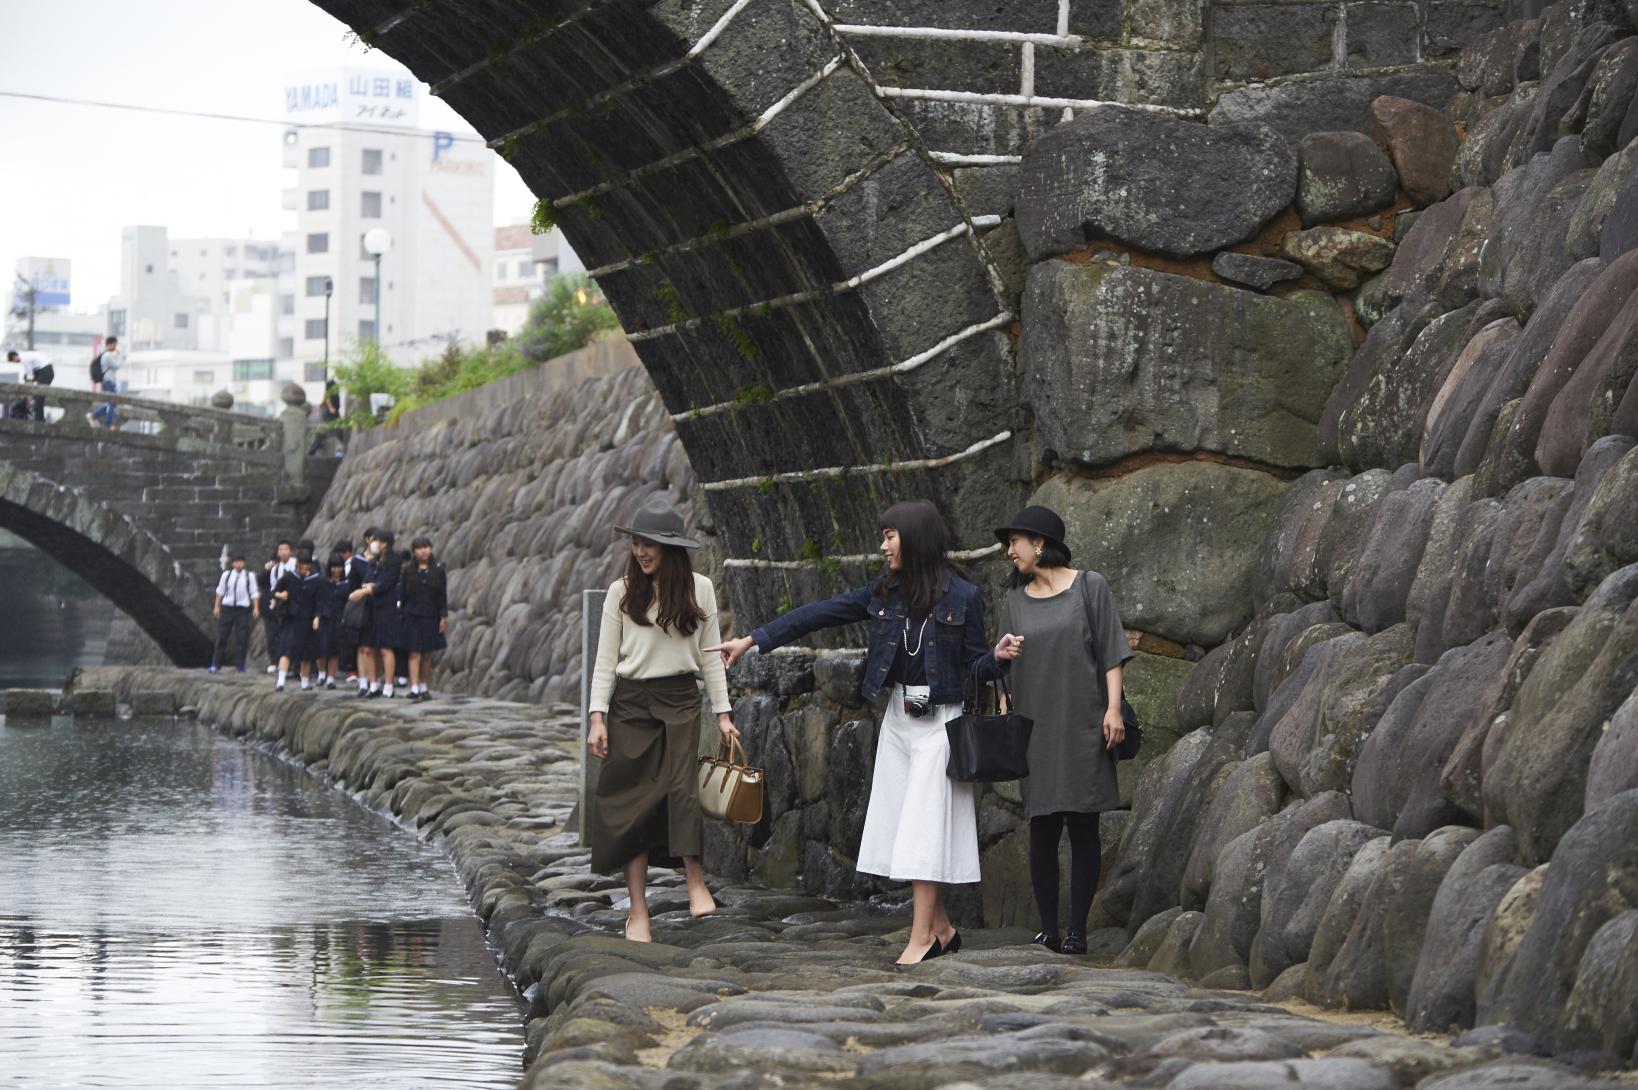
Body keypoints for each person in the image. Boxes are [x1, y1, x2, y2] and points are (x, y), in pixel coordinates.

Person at [710, 499, 988, 967]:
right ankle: (942, 928)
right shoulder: (885, 593)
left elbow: (978, 661)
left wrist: (998, 658)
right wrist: (752, 639)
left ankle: (920, 937)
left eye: (889, 536)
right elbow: (819, 613)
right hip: (901, 718)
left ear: (914, 537)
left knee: (923, 827)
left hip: (943, 720)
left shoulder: (964, 597)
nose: (882, 545)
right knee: (903, 822)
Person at [984, 505, 1133, 956]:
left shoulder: (1090, 587)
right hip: (1036, 728)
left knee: (1084, 826)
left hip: (1085, 721)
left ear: (1040, 543)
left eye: (1015, 542)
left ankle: (1078, 931)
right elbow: (1003, 671)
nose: (1009, 551)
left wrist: (1113, 710)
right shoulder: (1012, 602)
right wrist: (1002, 672)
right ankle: (1048, 928)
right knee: (1042, 829)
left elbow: (1111, 653)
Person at [587, 499, 738, 942]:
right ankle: (638, 912)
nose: (641, 551)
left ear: (671, 548)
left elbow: (712, 657)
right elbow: (604, 661)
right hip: (630, 703)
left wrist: (723, 713)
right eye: (636, 543)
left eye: (649, 544)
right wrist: (598, 718)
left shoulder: (700, 589)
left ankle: (695, 883)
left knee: (681, 790)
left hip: (679, 700)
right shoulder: (621, 592)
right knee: (631, 803)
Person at [349, 529, 401, 697]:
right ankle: (373, 684)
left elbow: (386, 584)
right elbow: (367, 580)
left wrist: (369, 589)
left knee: (386, 648)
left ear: (385, 543)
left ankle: (388, 685)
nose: (372, 544)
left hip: (386, 608)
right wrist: (369, 587)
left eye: (375, 540)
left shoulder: (394, 561)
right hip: (371, 608)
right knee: (369, 648)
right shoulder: (373, 562)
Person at [399, 536, 447, 702]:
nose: (423, 551)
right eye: (419, 548)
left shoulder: (439, 571)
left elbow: (442, 596)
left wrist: (443, 616)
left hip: (431, 615)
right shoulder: (408, 571)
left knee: (427, 654)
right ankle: (413, 687)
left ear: (431, 549)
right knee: (413, 652)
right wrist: (402, 613)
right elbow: (402, 594)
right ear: (414, 552)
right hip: (412, 615)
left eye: (426, 547)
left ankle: (424, 686)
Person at [272, 551, 321, 691]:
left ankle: (304, 681)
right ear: (298, 564)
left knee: (306, 653)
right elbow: (274, 590)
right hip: (291, 618)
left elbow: (319, 601)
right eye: (303, 564)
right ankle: (281, 681)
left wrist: (317, 616)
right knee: (286, 650)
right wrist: (281, 595)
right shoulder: (289, 577)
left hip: (307, 619)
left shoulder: (316, 580)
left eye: (308, 565)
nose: (305, 567)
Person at [209, 551, 260, 673]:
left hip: (242, 608)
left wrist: (256, 608)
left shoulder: (249, 576)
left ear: (244, 563)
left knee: (241, 637)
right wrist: (217, 606)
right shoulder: (226, 575)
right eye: (236, 562)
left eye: (241, 562)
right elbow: (220, 591)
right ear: (232, 563)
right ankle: (216, 663)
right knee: (222, 636)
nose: (238, 564)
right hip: (227, 607)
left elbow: (254, 592)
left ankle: (240, 665)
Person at [259, 541, 296, 673]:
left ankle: (293, 663)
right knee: (277, 634)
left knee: (292, 634)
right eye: (280, 549)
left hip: (295, 602)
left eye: (286, 549)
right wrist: (276, 599)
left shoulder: (296, 565)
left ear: (291, 551)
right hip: (281, 604)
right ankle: (278, 661)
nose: (283, 552)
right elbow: (274, 588)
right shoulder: (275, 569)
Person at [87, 337, 121, 430]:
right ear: (109, 344)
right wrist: (120, 356)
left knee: (112, 403)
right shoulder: (108, 355)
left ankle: (94, 416)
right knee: (112, 403)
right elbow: (116, 366)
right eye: (114, 344)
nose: (115, 347)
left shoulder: (105, 355)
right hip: (109, 381)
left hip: (108, 381)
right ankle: (108, 425)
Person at [308, 378, 341, 455]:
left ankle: (316, 446)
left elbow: (325, 398)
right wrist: (330, 408)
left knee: (337, 429)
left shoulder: (333, 389)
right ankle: (313, 449)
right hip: (330, 412)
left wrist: (319, 406)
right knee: (324, 429)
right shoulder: (331, 388)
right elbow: (327, 398)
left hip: (332, 412)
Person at [19, 350, 54, 420]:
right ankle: (37, 418)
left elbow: (30, 378)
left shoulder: (25, 360)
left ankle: (39, 421)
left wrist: (30, 394)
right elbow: (29, 378)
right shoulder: (32, 362)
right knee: (37, 398)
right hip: (44, 370)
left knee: (39, 399)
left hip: (45, 371)